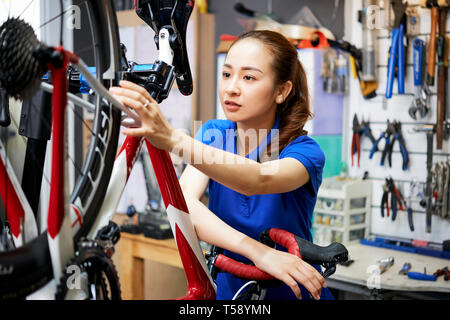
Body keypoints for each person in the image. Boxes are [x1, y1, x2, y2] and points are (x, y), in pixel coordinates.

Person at [109, 30, 333, 300]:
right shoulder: (215, 134)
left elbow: (258, 179)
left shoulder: (304, 152)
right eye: (227, 74)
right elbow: (183, 206)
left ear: (281, 91)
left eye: (248, 77)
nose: (231, 87)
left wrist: (171, 138)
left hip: (292, 293)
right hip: (231, 293)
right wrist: (260, 252)